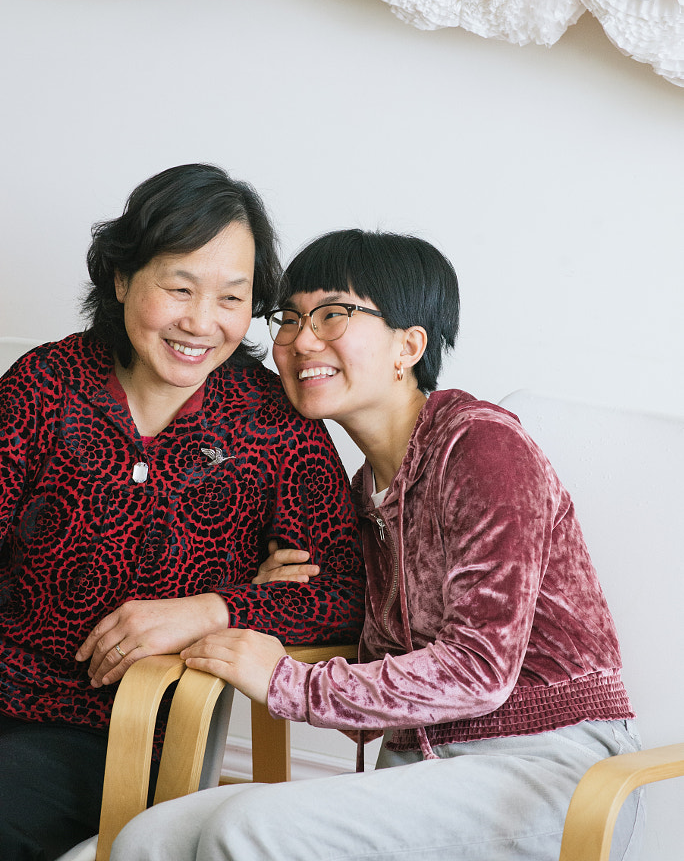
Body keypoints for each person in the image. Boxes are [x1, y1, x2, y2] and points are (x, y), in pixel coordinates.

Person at [112, 228, 643, 861]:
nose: (302, 339)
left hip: (546, 770)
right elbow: (339, 602)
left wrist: (289, 683)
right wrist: (251, 595)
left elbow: (480, 670)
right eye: (291, 317)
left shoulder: (481, 446)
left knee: (248, 826)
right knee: (148, 837)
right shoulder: (364, 493)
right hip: (418, 773)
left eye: (334, 314)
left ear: (409, 345)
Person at [0, 170, 364, 861]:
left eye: (231, 298)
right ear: (120, 278)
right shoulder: (43, 385)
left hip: (116, 734)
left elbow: (348, 591)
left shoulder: (274, 426)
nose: (202, 322)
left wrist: (216, 608)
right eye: (179, 288)